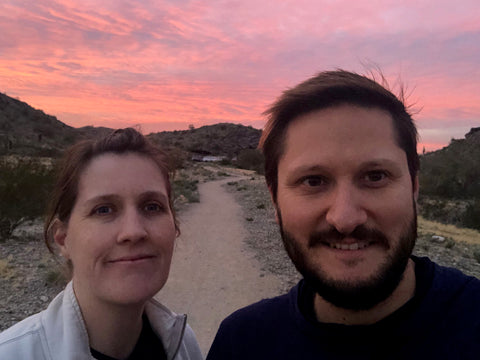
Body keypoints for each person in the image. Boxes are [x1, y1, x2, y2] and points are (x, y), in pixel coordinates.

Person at [207, 70, 480, 359]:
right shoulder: (241, 343)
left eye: (375, 176)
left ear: (414, 188)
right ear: (275, 200)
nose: (345, 218)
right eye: (313, 181)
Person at [0, 128, 203, 360]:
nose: (133, 231)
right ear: (63, 238)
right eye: (103, 209)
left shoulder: (184, 345)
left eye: (152, 206)